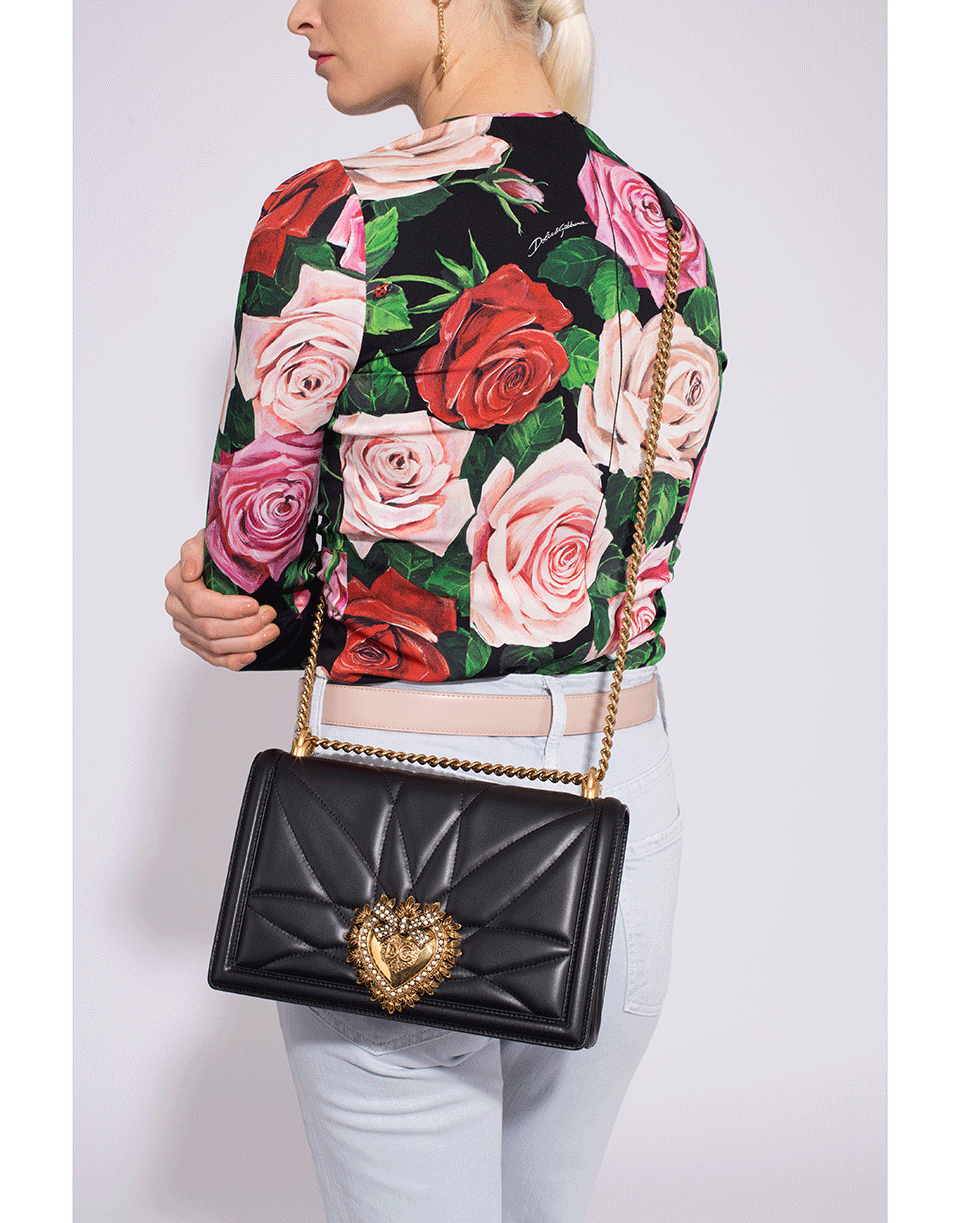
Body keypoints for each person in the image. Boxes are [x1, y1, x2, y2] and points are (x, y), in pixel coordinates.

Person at [164, 1, 725, 1219]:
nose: (299, 14)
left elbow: (251, 573)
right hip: (620, 808)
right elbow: (619, 568)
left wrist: (215, 600)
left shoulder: (335, 213)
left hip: (399, 830)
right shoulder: (666, 232)